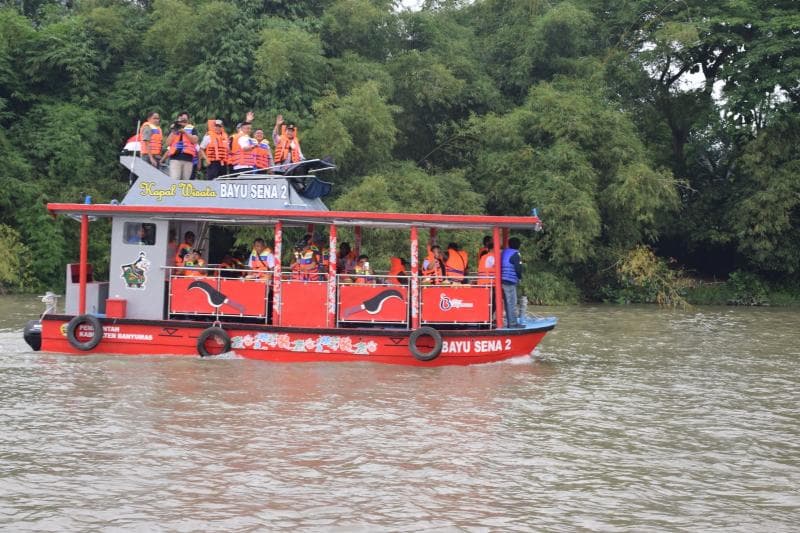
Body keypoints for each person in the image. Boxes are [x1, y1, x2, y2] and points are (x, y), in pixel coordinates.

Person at [163, 111, 199, 180]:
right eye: (181, 119)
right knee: (175, 180)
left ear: (188, 120)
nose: (183, 121)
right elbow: (167, 143)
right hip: (175, 158)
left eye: (185, 120)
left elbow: (195, 140)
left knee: (185, 182)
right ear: (178, 119)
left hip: (188, 159)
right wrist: (174, 130)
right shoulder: (174, 128)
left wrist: (185, 132)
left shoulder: (192, 128)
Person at [501, 237, 524, 328]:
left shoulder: (504, 252)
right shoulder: (516, 254)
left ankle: (510, 322)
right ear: (518, 245)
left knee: (507, 302)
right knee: (512, 303)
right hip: (509, 281)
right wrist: (520, 277)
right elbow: (518, 268)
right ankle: (513, 324)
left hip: (502, 279)